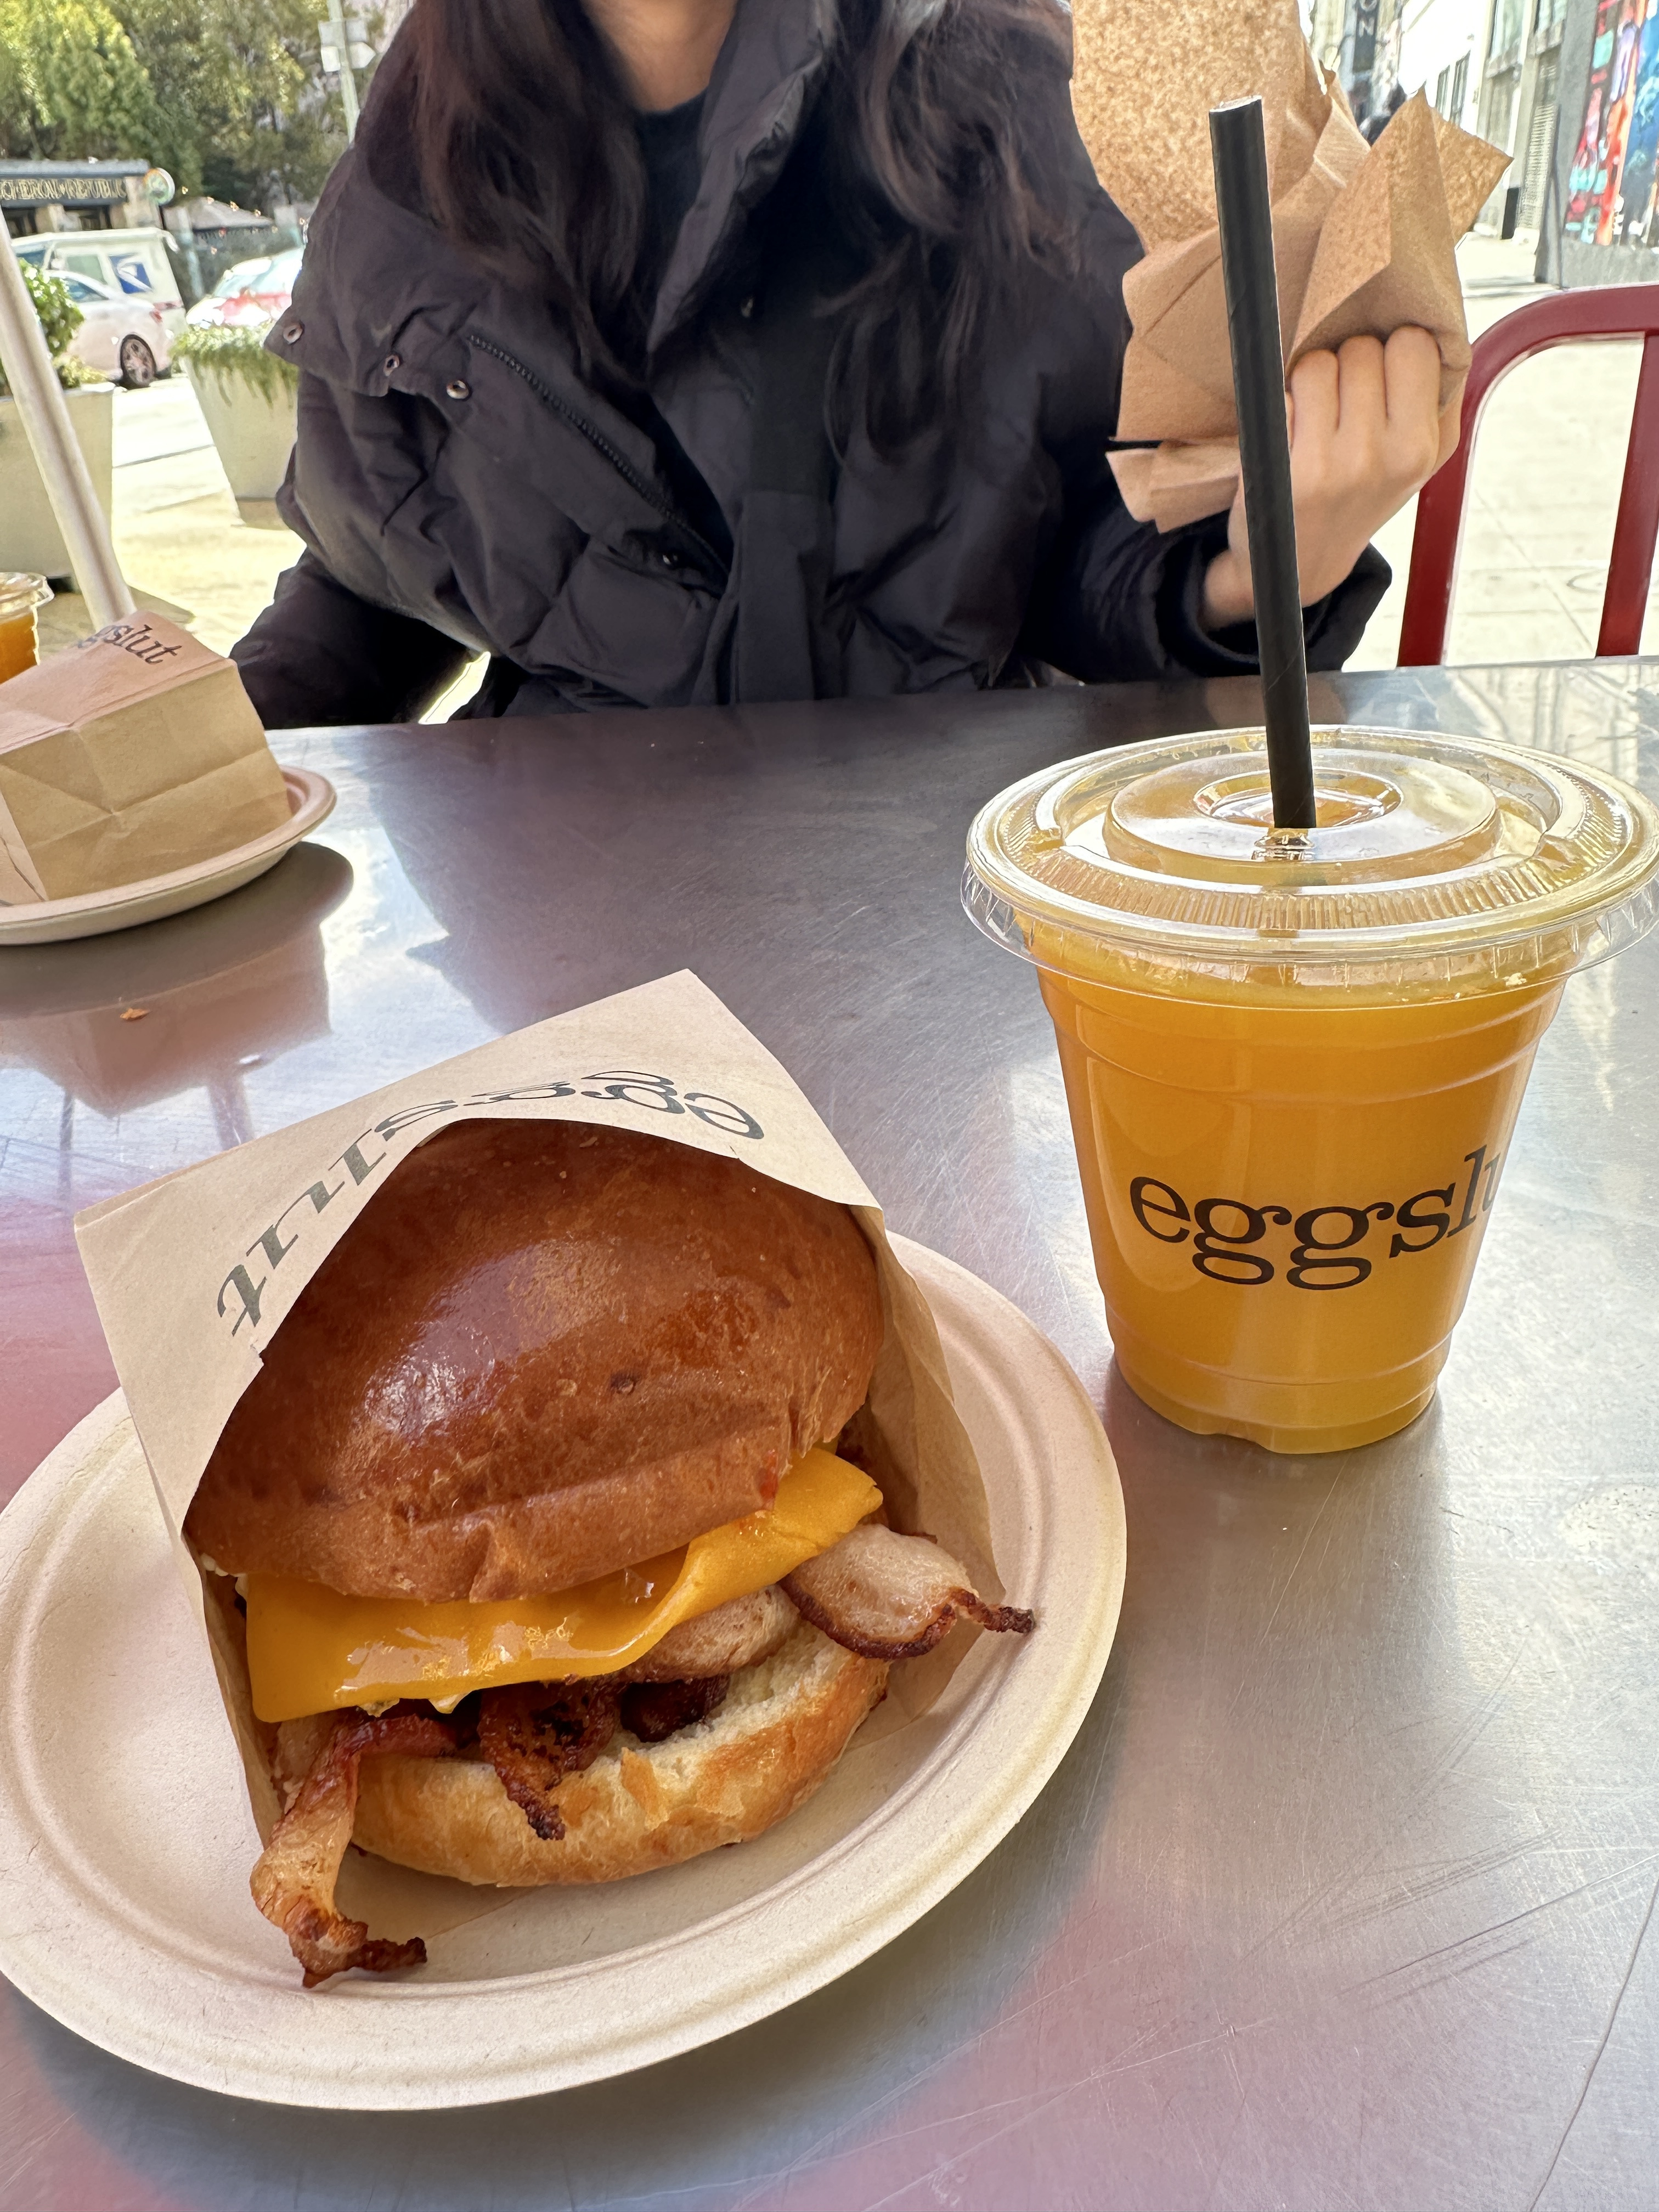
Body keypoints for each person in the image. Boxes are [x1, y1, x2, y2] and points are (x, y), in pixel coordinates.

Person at [232, 0, 1448, 724]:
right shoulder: (406, 175)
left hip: (936, 923)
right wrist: (192, 761)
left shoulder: (1021, 102)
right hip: (571, 935)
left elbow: (1088, 550)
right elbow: (378, 581)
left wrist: (1259, 573)